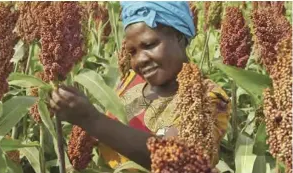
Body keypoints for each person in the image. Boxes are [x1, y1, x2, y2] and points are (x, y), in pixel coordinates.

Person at [49, 1, 230, 170]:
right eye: (132, 52)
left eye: (149, 45)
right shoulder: (130, 82)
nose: (140, 60)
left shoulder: (208, 97)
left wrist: (91, 120)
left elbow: (179, 159)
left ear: (179, 36)